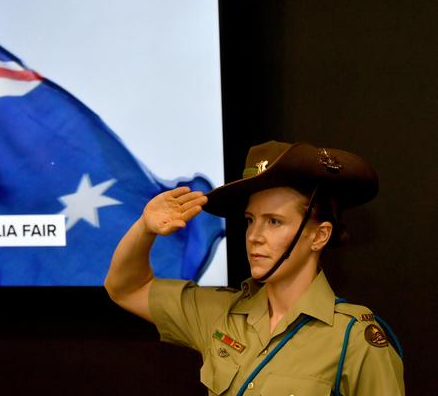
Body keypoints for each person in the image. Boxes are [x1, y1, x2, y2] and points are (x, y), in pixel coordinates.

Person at [104, 140, 404, 395]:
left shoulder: (354, 338)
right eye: (250, 220)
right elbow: (126, 288)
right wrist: (145, 228)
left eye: (274, 221)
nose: (255, 236)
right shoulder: (220, 314)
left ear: (319, 235)